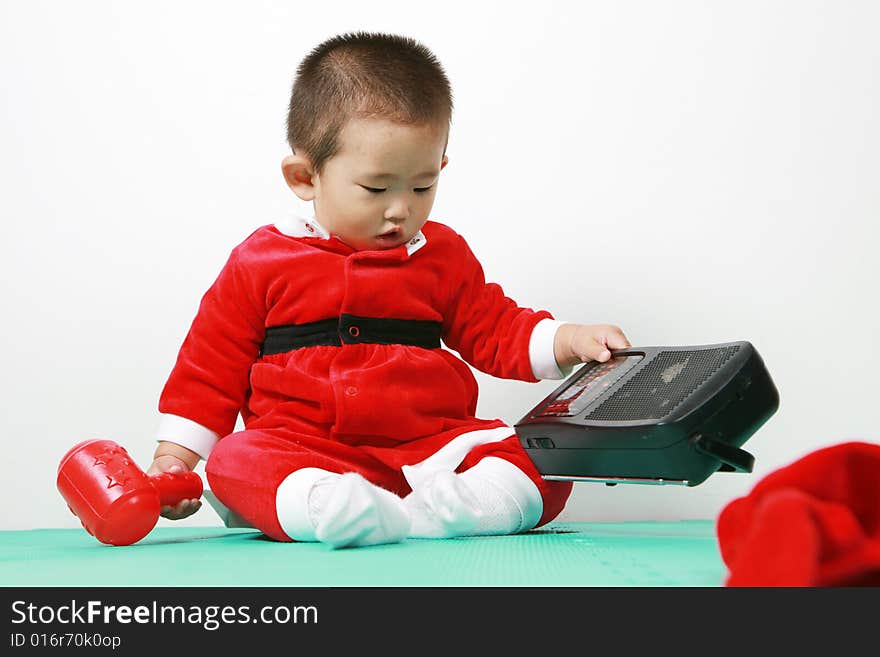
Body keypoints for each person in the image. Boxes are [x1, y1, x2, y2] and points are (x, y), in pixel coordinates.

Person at [146, 31, 631, 548]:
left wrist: (568, 340)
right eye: (376, 188)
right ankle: (333, 508)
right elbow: (209, 369)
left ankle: (452, 511)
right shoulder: (259, 262)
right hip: (308, 451)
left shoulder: (441, 256)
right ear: (304, 177)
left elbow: (494, 325)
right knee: (235, 463)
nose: (401, 208)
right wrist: (174, 459)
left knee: (546, 458)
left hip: (431, 450)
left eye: (422, 186)